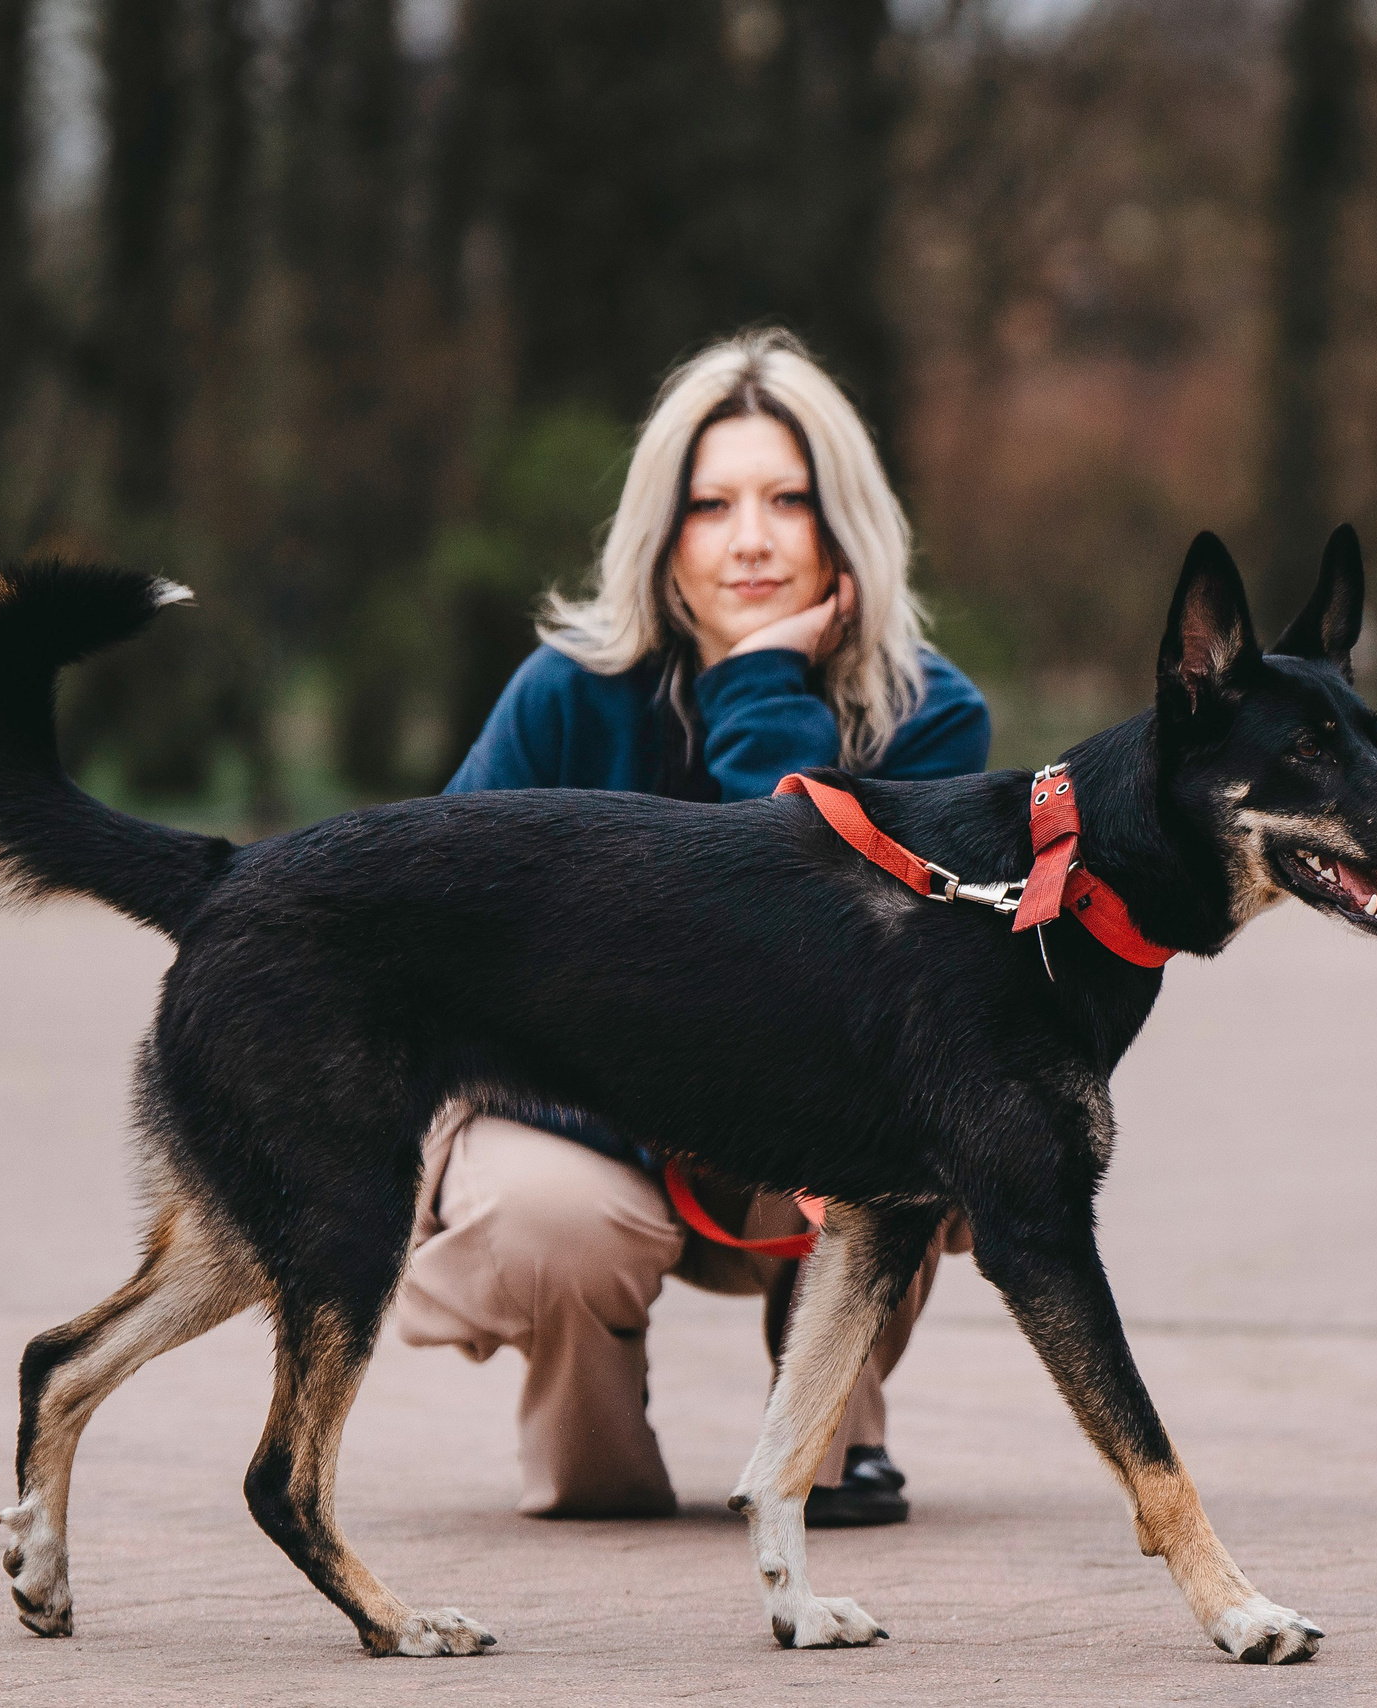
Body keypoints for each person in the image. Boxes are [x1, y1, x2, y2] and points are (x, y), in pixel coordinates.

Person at [391, 329, 990, 1525]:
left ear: (843, 524)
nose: (752, 538)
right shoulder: (565, 693)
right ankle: (592, 1454)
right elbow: (434, 930)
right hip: (576, 1115)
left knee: (896, 1143)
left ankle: (832, 1427)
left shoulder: (929, 720)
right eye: (712, 505)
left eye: (786, 501)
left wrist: (762, 688)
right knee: (548, 1217)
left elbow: (806, 948)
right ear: (663, 537)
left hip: (806, 1121)